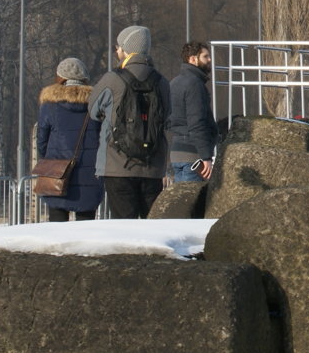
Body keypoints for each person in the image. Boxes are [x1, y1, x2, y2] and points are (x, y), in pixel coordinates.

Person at [88, 25, 171, 219]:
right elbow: (167, 115)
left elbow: (93, 111)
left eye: (118, 47)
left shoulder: (112, 79)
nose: (116, 51)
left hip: (117, 165)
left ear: (126, 50)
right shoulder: (162, 82)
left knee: (124, 225)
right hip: (153, 164)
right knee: (152, 224)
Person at [36, 57, 103, 221]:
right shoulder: (96, 103)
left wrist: (49, 158)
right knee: (85, 231)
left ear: (60, 77)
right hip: (90, 172)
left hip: (57, 173)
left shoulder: (50, 104)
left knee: (57, 230)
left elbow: (41, 139)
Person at [169, 41, 216, 184]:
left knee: (181, 203)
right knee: (193, 204)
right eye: (205, 56)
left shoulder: (174, 82)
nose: (209, 60)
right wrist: (206, 157)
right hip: (193, 157)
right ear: (193, 59)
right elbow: (197, 123)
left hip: (177, 153)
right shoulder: (195, 84)